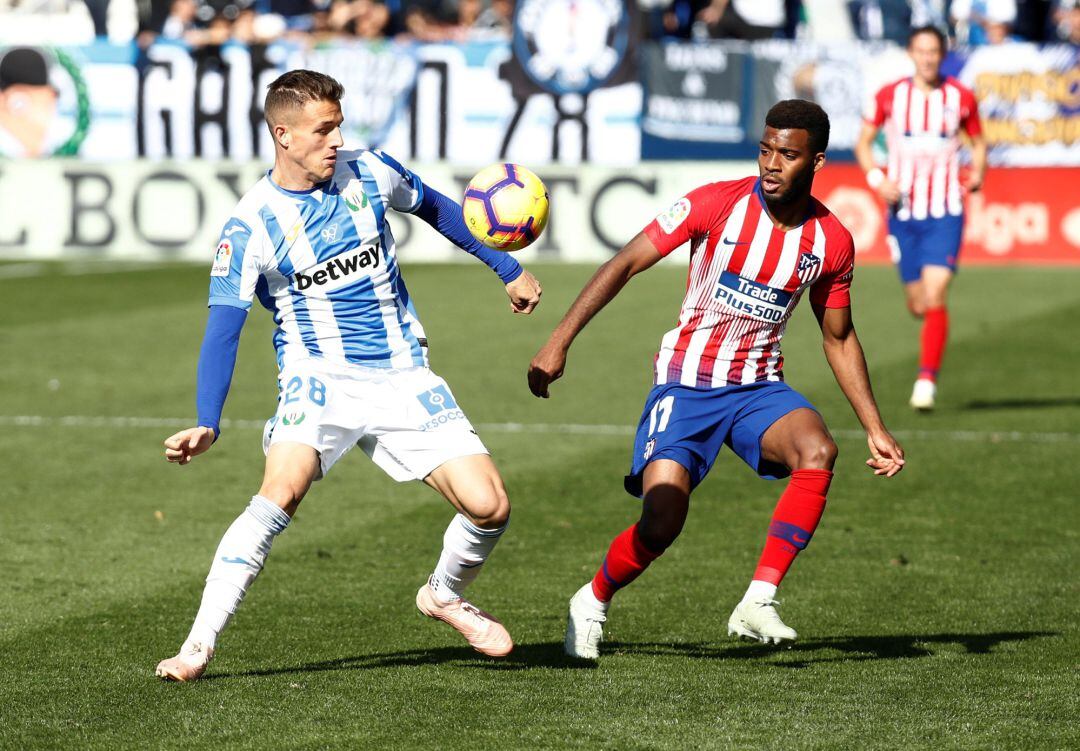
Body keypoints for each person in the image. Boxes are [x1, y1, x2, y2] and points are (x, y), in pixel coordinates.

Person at [155, 69, 542, 681]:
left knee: (490, 506)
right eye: (322, 129)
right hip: (319, 376)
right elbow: (223, 329)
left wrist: (506, 266)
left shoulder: (370, 171)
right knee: (281, 489)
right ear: (283, 134)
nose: (336, 140)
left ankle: (442, 595)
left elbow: (439, 207)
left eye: (338, 125)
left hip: (402, 372)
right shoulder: (250, 224)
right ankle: (196, 647)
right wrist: (208, 421)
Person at [528, 99, 905, 660]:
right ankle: (593, 598)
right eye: (766, 149)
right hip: (686, 382)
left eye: (788, 154)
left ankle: (759, 598)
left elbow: (839, 336)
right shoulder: (716, 203)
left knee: (817, 450)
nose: (772, 164)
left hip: (758, 387)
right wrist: (559, 339)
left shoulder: (831, 241)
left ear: (817, 161)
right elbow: (627, 261)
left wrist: (874, 425)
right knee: (662, 521)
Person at [855, 25, 986, 411]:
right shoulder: (890, 96)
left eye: (934, 52)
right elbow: (863, 144)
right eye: (921, 51)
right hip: (903, 213)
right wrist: (877, 180)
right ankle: (924, 331)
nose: (928, 58)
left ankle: (926, 380)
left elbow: (978, 142)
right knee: (918, 302)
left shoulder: (960, 97)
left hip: (946, 210)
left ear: (942, 55)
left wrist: (978, 172)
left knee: (936, 294)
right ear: (911, 53)